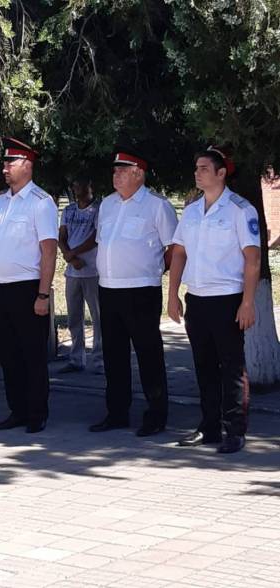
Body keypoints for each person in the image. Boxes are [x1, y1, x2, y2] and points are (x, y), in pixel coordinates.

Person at [168, 146, 261, 454]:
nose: (197, 173)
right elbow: (179, 253)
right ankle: (208, 427)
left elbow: (253, 259)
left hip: (227, 299)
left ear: (221, 173)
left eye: (204, 168)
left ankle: (235, 430)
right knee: (203, 365)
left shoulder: (240, 209)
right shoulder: (192, 210)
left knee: (232, 367)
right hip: (197, 299)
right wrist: (172, 294)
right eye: (196, 168)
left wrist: (248, 302)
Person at [90, 146, 178, 436]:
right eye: (115, 170)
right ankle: (117, 412)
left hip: (141, 290)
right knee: (114, 355)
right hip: (109, 289)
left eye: (122, 171)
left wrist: (154, 269)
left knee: (148, 354)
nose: (115, 175)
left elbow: (174, 248)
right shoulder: (107, 204)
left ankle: (156, 415)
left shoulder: (156, 205)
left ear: (138, 174)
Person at [0, 137, 58, 434]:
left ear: (27, 164)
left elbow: (49, 251)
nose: (5, 168)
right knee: (9, 355)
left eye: (10, 162)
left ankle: (37, 413)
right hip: (1, 289)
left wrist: (43, 294)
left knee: (32, 354)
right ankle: (17, 410)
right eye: (4, 162)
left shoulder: (41, 202)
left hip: (28, 289)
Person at [58, 176, 103, 374]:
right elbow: (61, 236)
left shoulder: (99, 209)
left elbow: (96, 238)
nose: (77, 189)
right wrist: (69, 256)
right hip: (73, 272)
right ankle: (76, 358)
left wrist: (74, 253)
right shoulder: (68, 210)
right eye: (75, 186)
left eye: (81, 185)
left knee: (98, 317)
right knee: (74, 317)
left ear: (90, 186)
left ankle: (99, 360)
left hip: (93, 270)